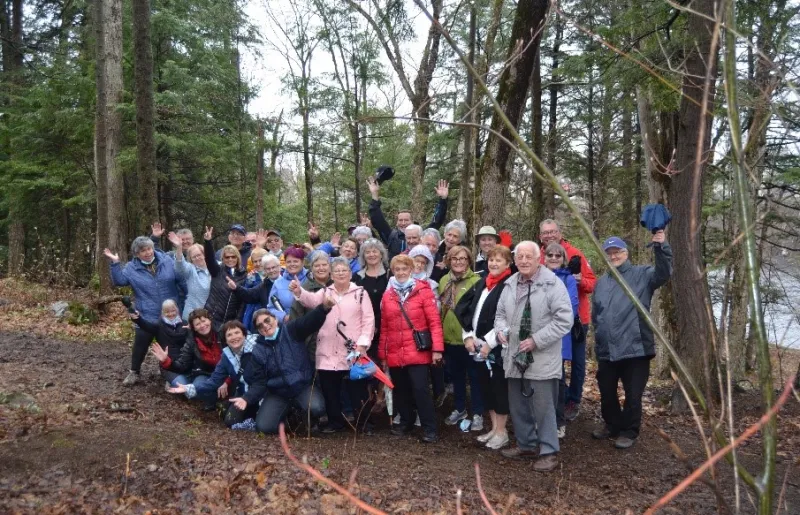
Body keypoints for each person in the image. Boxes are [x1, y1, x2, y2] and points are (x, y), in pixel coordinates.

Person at [495, 241, 573, 473]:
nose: (524, 261)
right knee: (518, 404)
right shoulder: (509, 284)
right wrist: (500, 331)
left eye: (529, 256)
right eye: (520, 257)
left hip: (542, 356)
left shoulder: (552, 284)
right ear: (515, 259)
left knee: (543, 407)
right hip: (514, 355)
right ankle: (526, 444)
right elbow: (500, 314)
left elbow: (564, 320)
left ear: (539, 258)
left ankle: (549, 451)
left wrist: (537, 340)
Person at [591, 231, 672, 449]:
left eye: (617, 251)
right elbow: (596, 316)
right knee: (607, 392)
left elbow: (664, 273)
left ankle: (629, 430)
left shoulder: (642, 275)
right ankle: (612, 424)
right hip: (607, 348)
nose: (614, 256)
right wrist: (598, 341)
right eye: (610, 253)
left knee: (633, 394)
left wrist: (661, 247)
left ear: (626, 253)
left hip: (635, 348)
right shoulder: (601, 283)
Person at [291, 257, 375, 434]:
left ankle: (362, 422)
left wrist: (363, 344)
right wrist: (300, 291)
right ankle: (335, 422)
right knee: (330, 388)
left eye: (344, 271)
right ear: (332, 274)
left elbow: (368, 320)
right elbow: (311, 301)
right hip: (328, 347)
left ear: (350, 274)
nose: (340, 274)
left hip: (353, 350)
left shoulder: (360, 293)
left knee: (356, 389)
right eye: (337, 271)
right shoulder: (326, 292)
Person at [379, 254, 445, 443]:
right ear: (393, 271)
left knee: (421, 389)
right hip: (395, 350)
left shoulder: (422, 291)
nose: (400, 272)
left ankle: (430, 427)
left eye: (404, 269)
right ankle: (406, 422)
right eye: (397, 269)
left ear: (411, 270)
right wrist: (383, 354)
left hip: (417, 350)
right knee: (401, 389)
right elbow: (384, 326)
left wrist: (437, 349)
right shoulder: (388, 294)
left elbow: (434, 322)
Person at [237, 305, 333, 435]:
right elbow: (260, 382)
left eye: (267, 320)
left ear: (275, 319)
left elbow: (309, 321)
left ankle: (305, 416)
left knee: (318, 407)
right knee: (264, 427)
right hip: (278, 393)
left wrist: (323, 308)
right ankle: (289, 417)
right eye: (260, 326)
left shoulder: (291, 330)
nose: (265, 326)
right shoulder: (258, 351)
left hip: (302, 386)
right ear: (259, 331)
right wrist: (246, 398)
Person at [455, 245, 514, 450]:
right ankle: (494, 428)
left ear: (508, 264)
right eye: (491, 260)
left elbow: (508, 319)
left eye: (499, 260)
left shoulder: (509, 286)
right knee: (485, 389)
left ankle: (502, 431)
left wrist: (489, 343)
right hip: (478, 347)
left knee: (499, 389)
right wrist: (468, 337)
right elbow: (467, 310)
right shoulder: (483, 283)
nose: (494, 263)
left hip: (497, 348)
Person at [539, 219, 597, 422]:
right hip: (547, 321)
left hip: (577, 319)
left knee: (578, 361)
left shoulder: (575, 253)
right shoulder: (538, 256)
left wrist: (578, 279)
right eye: (545, 233)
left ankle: (574, 400)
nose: (549, 236)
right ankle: (558, 400)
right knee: (555, 361)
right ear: (541, 236)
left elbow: (592, 283)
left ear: (560, 232)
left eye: (552, 231)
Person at [104, 236, 179, 386]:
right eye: (143, 250)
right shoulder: (132, 268)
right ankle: (134, 372)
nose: (147, 252)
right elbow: (119, 281)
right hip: (146, 314)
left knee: (169, 347)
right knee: (140, 344)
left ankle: (169, 376)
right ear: (137, 254)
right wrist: (115, 263)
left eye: (149, 248)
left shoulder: (166, 261)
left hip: (169, 314)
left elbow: (180, 278)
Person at [167, 320, 257, 428]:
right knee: (231, 421)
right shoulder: (226, 356)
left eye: (237, 333)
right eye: (229, 335)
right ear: (225, 340)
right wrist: (189, 388)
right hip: (243, 392)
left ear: (244, 334)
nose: (234, 337)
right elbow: (214, 381)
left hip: (262, 391)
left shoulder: (257, 348)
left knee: (264, 424)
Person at [438, 245, 482, 430]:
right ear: (449, 260)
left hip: (470, 340)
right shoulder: (443, 280)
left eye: (463, 259)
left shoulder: (477, 281)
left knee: (475, 378)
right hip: (449, 339)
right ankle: (460, 408)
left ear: (469, 261)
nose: (458, 262)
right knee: (456, 378)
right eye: (455, 259)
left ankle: (478, 413)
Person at [151, 308, 223, 410]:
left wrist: (226, 380)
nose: (202, 325)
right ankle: (213, 400)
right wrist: (166, 361)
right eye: (197, 324)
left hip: (227, 373)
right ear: (194, 328)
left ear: (210, 320)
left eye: (204, 321)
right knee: (194, 391)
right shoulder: (192, 342)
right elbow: (182, 365)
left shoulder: (222, 332)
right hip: (205, 373)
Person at [543, 242, 580, 439]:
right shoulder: (537, 277)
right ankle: (540, 419)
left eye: (558, 255)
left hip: (559, 336)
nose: (554, 258)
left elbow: (571, 306)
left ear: (563, 258)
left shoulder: (569, 279)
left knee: (557, 380)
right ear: (545, 257)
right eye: (551, 255)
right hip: (537, 336)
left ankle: (558, 421)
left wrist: (553, 325)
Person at [367, 177, 449, 258]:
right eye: (400, 220)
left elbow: (436, 222)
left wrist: (443, 200)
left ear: (412, 221)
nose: (403, 223)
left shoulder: (422, 234)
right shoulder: (391, 236)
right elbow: (378, 220)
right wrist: (374, 195)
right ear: (396, 222)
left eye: (406, 220)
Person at [129, 299, 188, 387]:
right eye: (167, 312)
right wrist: (138, 319)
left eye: (173, 310)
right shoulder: (159, 326)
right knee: (182, 386)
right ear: (163, 312)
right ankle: (170, 379)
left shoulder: (185, 323)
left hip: (185, 362)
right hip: (168, 363)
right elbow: (146, 325)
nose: (171, 314)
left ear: (177, 310)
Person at [288, 250, 331, 361]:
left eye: (324, 265)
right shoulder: (304, 287)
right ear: (311, 268)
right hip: (313, 340)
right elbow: (295, 316)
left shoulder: (337, 283)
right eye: (317, 265)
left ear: (330, 266)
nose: (321, 268)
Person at [203, 227, 247, 333]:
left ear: (238, 258)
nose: (230, 259)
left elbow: (243, 301)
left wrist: (237, 320)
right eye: (227, 257)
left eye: (233, 257)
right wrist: (208, 242)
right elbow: (209, 259)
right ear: (223, 258)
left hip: (230, 321)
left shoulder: (244, 275)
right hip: (212, 317)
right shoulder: (217, 271)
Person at [353, 239, 390, 364]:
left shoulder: (389, 275)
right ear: (363, 256)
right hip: (362, 328)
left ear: (381, 254)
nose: (371, 254)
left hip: (386, 326)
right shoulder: (357, 277)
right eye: (367, 252)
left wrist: (378, 324)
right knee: (365, 365)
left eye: (375, 251)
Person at [226, 254, 282, 332]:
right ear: (265, 270)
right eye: (268, 269)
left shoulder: (289, 280)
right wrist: (236, 288)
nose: (271, 270)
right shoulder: (263, 286)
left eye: (273, 267)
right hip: (269, 326)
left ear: (279, 266)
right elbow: (250, 295)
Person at [168, 232, 211, 320]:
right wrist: (179, 248)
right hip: (192, 315)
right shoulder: (191, 269)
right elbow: (180, 266)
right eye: (193, 257)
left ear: (204, 254)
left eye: (199, 255)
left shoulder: (215, 267)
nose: (197, 258)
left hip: (211, 314)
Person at [266, 246, 308, 321]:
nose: (292, 264)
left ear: (302, 262)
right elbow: (270, 308)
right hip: (288, 326)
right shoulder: (278, 283)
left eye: (295, 261)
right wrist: (283, 317)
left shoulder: (311, 278)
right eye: (289, 262)